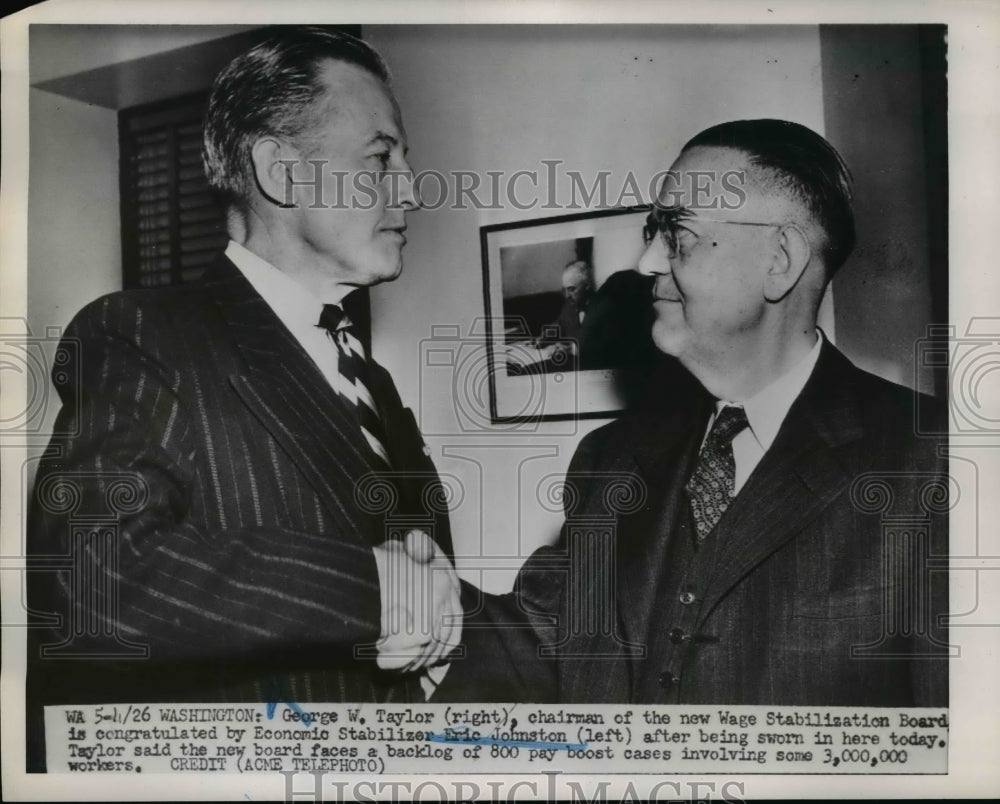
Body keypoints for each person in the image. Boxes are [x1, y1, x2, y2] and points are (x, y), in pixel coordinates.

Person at [26, 27, 460, 770]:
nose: (412, 190)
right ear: (280, 172)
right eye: (380, 159)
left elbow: (423, 596)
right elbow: (90, 576)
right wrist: (369, 588)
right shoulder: (145, 335)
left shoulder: (372, 383)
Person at [438, 119, 949, 706]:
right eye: (652, 232)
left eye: (676, 233)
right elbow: (539, 645)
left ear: (780, 259)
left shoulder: (935, 459)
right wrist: (413, 601)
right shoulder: (608, 459)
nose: (647, 262)